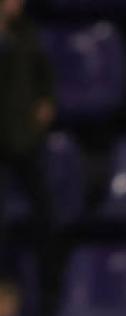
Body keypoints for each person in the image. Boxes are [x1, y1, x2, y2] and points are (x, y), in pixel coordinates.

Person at [0, 0, 55, 294]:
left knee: (45, 214)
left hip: (23, 137)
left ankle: (48, 287)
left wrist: (46, 101)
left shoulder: (28, 34)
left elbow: (44, 73)